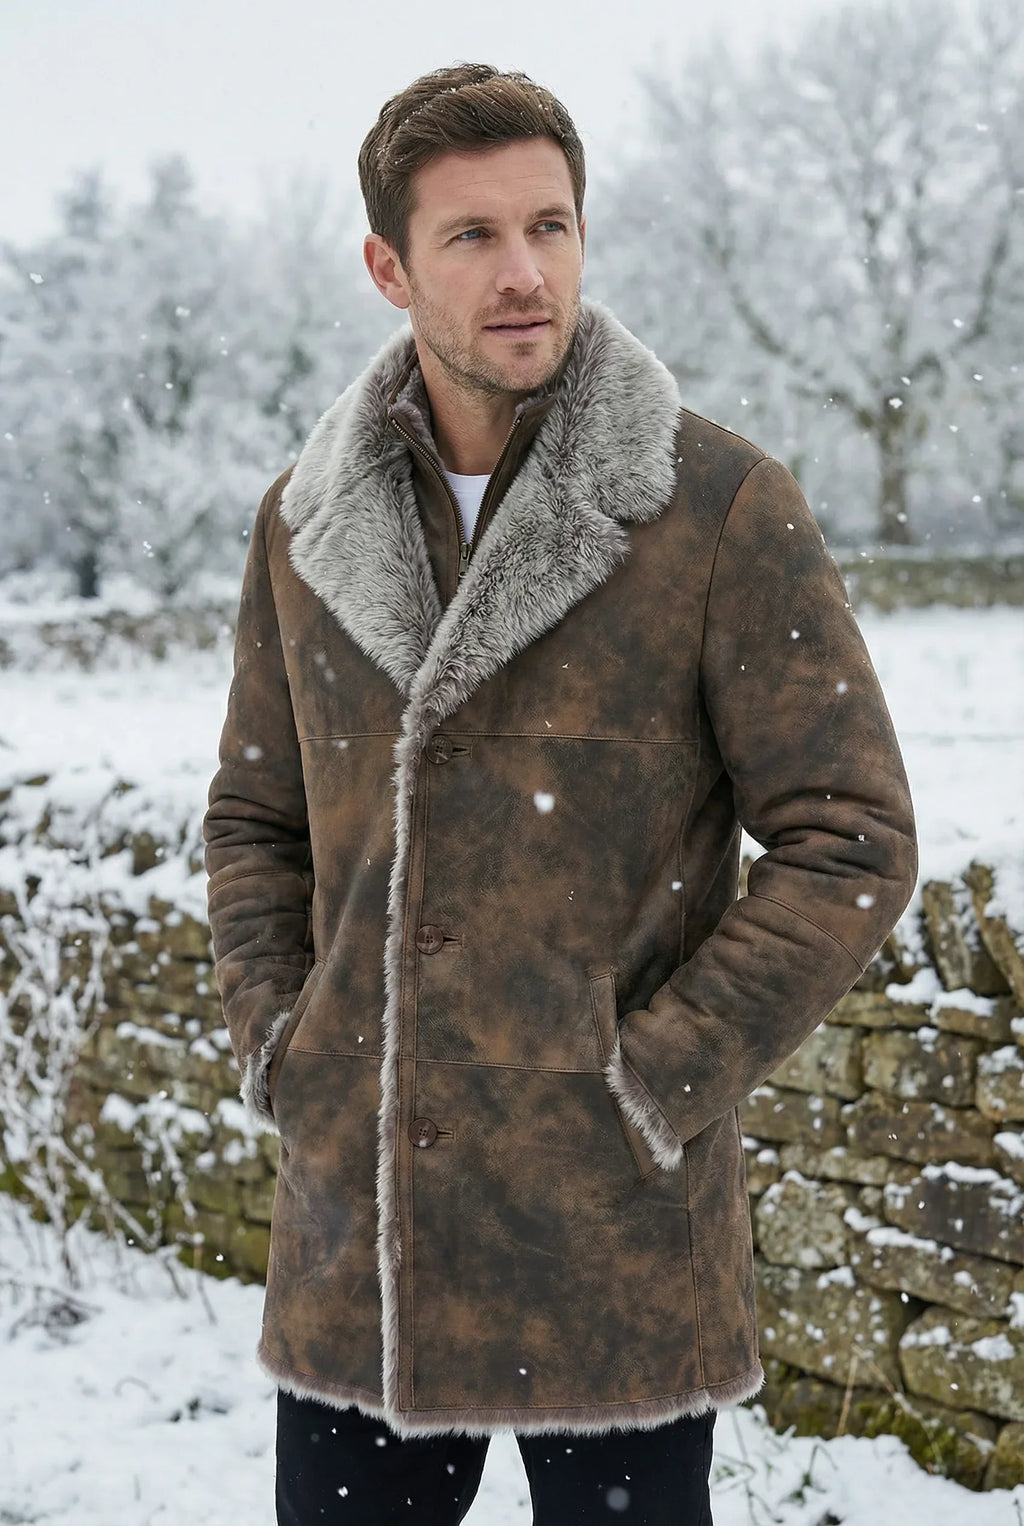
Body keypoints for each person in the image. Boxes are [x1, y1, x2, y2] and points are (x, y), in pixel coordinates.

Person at [203, 62, 918, 1526]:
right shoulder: (302, 522)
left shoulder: (715, 505)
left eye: (552, 225)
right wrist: (288, 1046)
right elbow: (254, 818)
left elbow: (852, 834)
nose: (526, 273)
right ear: (387, 265)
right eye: (472, 237)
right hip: (365, 1257)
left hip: (614, 1248)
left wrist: (657, 1076)